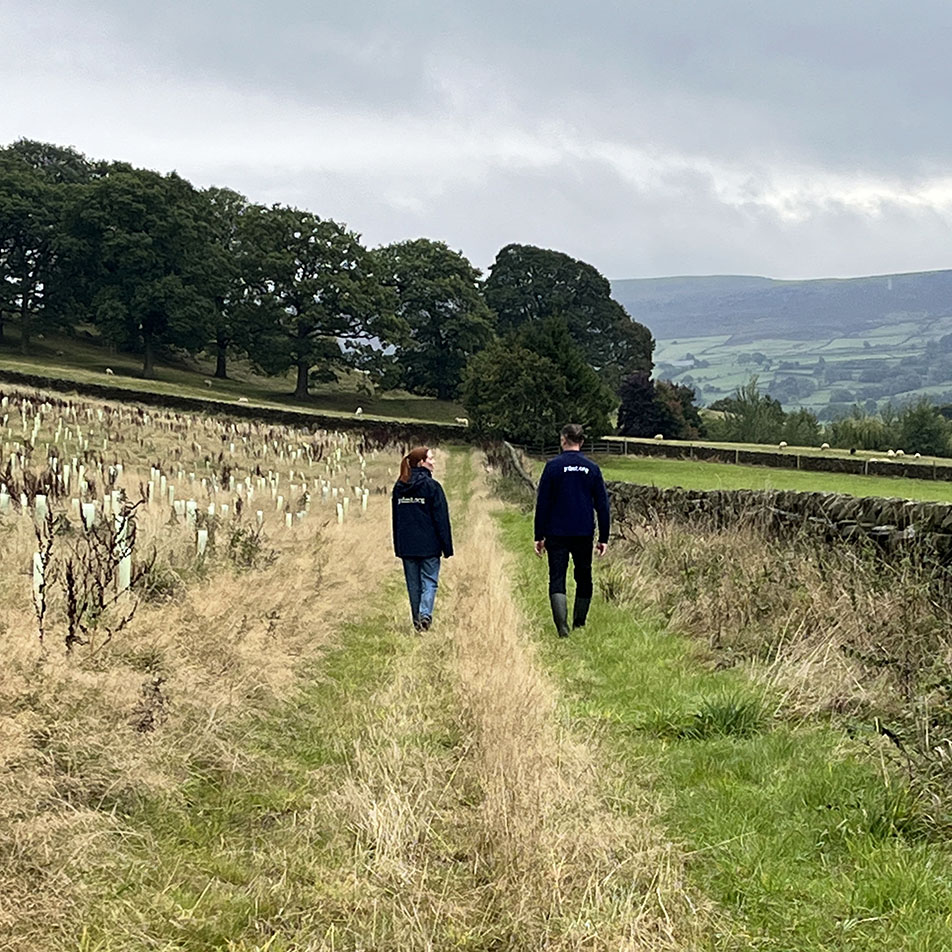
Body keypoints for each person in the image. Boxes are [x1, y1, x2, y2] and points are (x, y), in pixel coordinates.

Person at [533, 423, 610, 637]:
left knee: (557, 577)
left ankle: (562, 627)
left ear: (563, 440)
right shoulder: (592, 469)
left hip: (556, 532)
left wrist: (539, 535)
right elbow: (603, 506)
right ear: (582, 442)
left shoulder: (552, 467)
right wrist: (604, 537)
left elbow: (543, 504)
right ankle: (579, 622)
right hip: (583, 532)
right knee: (584, 576)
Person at [392, 446, 453, 631]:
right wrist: (447, 547)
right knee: (429, 582)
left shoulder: (399, 487)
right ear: (421, 463)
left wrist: (398, 546)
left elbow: (396, 520)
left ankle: (417, 623)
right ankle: (425, 614)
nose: (433, 462)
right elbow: (441, 519)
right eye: (431, 459)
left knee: (413, 585)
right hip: (429, 546)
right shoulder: (432, 487)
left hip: (408, 546)